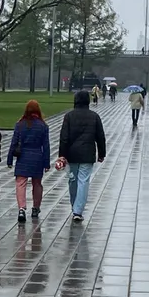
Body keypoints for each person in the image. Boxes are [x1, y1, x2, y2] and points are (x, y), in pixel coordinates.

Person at [57, 90, 106, 222]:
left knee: (73, 180)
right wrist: (102, 153)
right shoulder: (94, 116)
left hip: (72, 154)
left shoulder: (69, 116)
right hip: (87, 153)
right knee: (83, 181)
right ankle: (78, 210)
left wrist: (62, 155)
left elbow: (64, 137)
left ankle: (75, 205)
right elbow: (100, 136)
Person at [6, 99, 51, 223]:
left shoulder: (20, 124)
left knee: (20, 183)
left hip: (23, 157)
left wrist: (9, 159)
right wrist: (46, 163)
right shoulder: (43, 126)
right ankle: (36, 208)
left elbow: (14, 143)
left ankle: (21, 208)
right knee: (37, 184)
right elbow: (46, 146)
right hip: (37, 157)